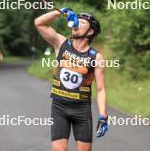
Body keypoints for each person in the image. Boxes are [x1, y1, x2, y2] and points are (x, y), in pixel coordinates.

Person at [34, 8, 108, 151]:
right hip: (59, 107)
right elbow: (39, 23)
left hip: (81, 110)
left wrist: (103, 116)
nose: (76, 24)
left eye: (81, 23)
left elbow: (101, 89)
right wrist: (59, 12)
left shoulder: (96, 57)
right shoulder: (61, 43)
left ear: (90, 32)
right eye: (76, 21)